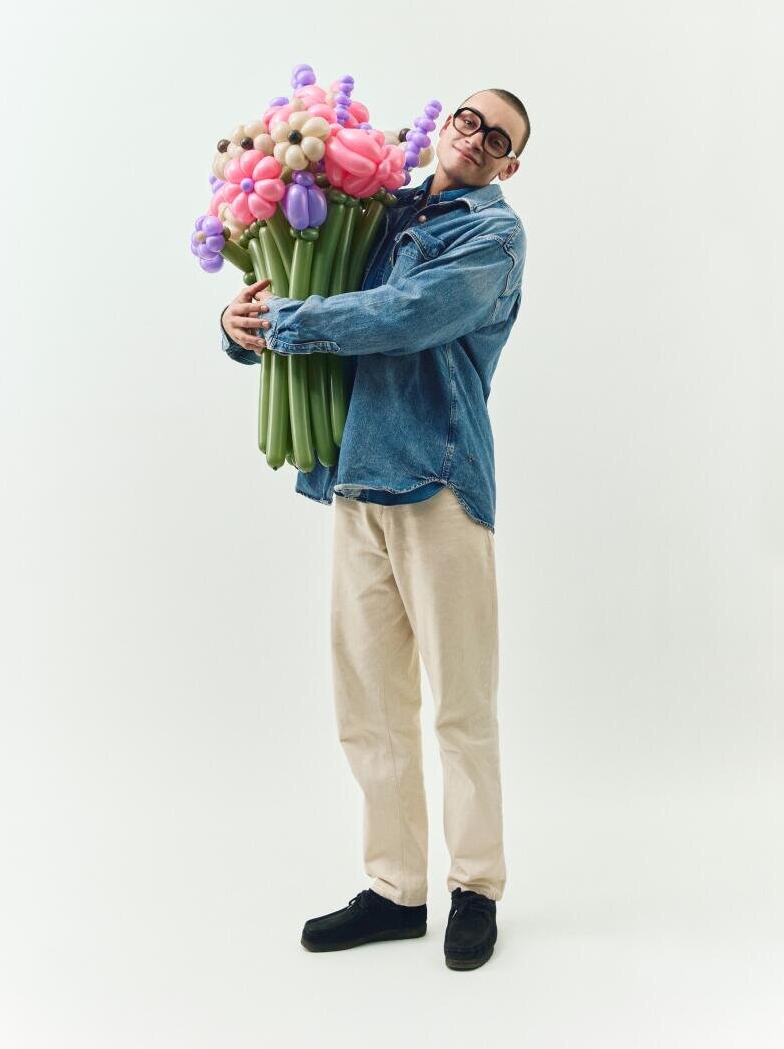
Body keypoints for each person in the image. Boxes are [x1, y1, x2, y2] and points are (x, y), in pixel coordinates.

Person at [220, 89, 529, 970]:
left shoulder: (493, 239)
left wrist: (284, 326)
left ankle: (476, 887)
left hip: (436, 479)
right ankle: (396, 891)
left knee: (461, 706)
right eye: (468, 120)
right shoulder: (375, 210)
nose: (475, 138)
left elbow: (404, 318)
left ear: (510, 165)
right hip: (355, 482)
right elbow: (302, 291)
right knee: (370, 709)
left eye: (497, 137)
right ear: (447, 128)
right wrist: (241, 326)